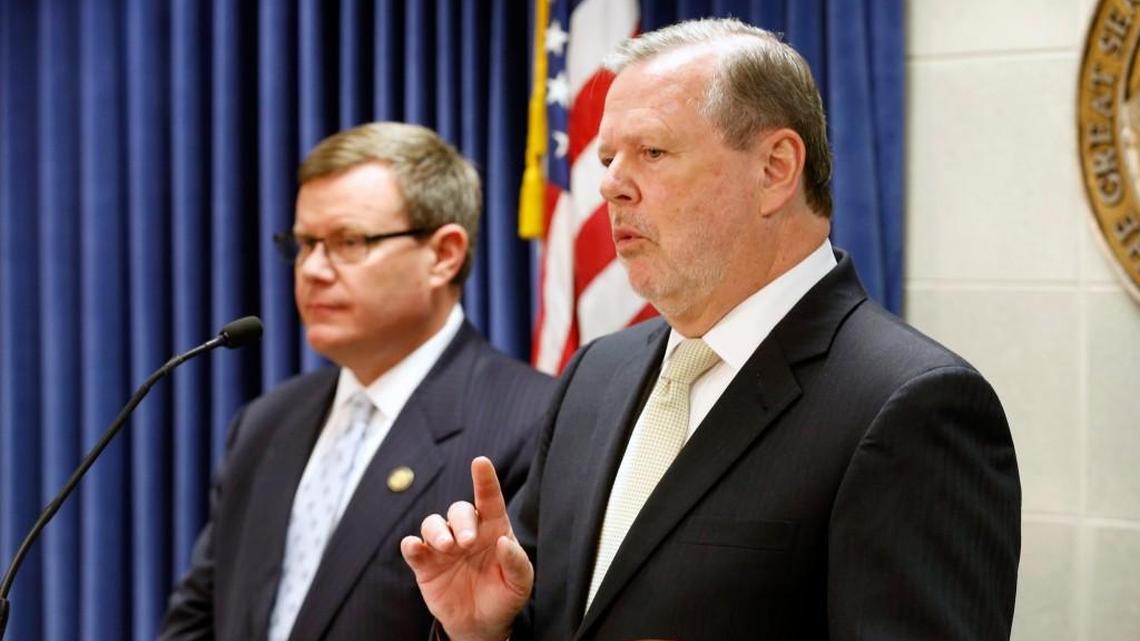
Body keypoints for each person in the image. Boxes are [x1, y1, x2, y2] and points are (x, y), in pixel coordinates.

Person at [401, 18, 1021, 641]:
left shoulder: (910, 404)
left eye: (652, 152)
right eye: (608, 158)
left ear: (776, 169)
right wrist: (483, 633)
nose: (611, 186)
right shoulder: (596, 374)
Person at [159, 122, 555, 641]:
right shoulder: (265, 424)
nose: (313, 270)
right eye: (304, 244)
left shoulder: (535, 421)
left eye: (348, 242)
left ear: (444, 254)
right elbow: (196, 621)